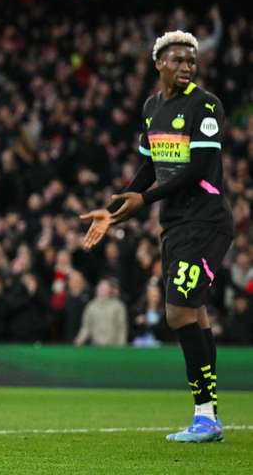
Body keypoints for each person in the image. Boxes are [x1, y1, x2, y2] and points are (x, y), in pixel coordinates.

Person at [81, 30, 234, 443]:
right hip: (175, 225)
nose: (186, 67)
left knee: (178, 313)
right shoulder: (152, 108)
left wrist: (142, 201)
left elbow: (196, 170)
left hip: (206, 222)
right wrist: (114, 213)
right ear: (159, 63)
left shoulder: (205, 106)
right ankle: (209, 416)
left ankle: (205, 416)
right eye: (178, 60)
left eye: (191, 62)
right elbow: (147, 170)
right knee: (194, 315)